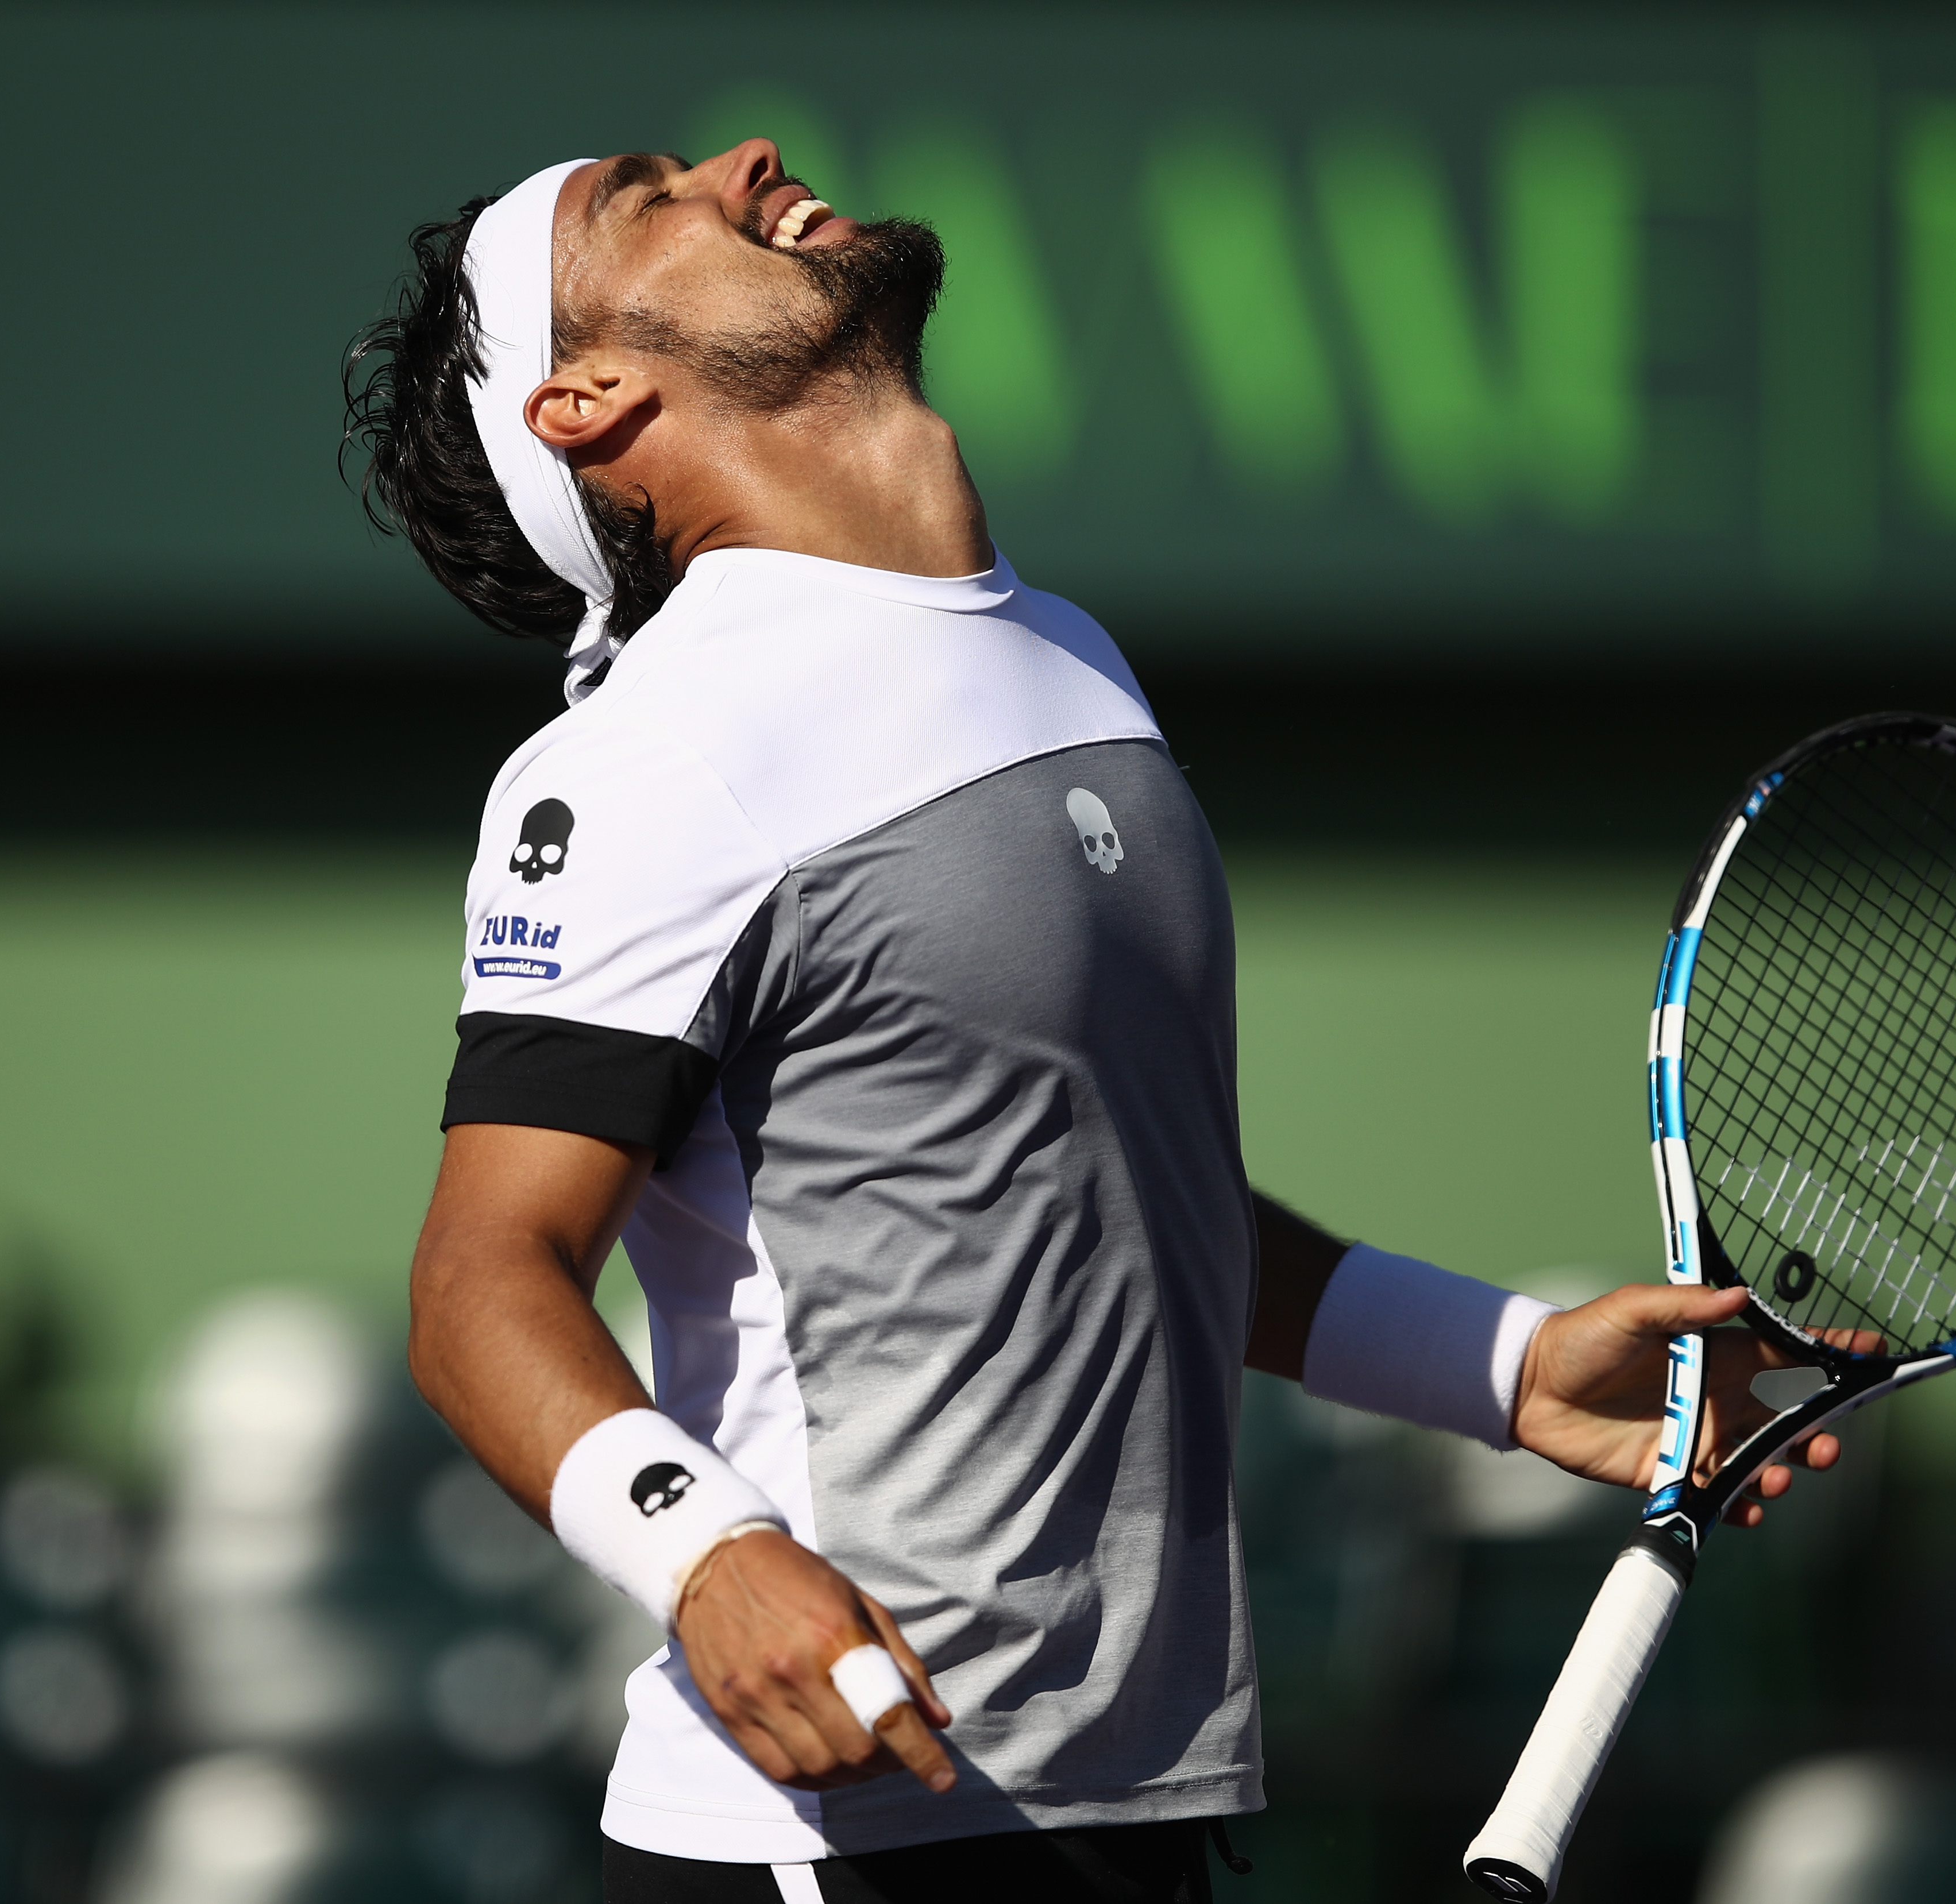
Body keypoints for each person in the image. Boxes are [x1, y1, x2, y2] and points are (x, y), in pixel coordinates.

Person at [342, 143, 1837, 1904]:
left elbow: (1103, 1191)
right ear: (586, 397)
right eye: (647, 197)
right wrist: (709, 1558)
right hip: (842, 1844)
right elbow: (479, 1281)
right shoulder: (648, 758)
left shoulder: (1065, 656)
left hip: (1130, 1811)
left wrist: (1497, 1366)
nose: (742, 160)